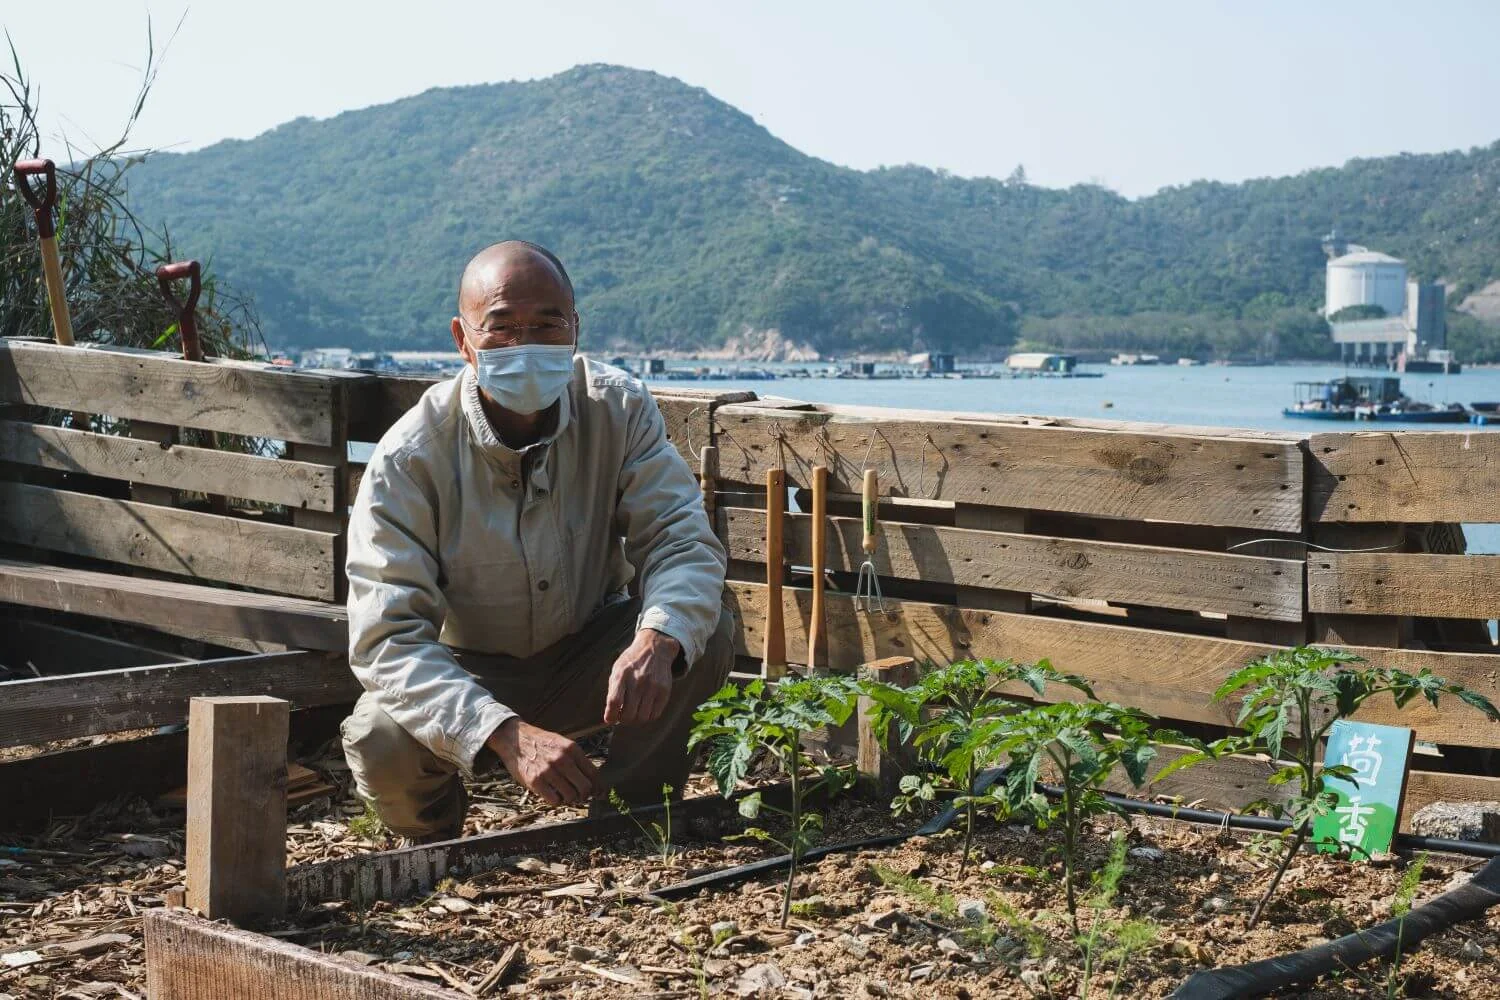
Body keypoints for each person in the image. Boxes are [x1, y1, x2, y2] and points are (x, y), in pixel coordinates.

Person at [341, 240, 731, 842]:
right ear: (462, 338)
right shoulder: (410, 457)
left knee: (700, 628)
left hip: (590, 655)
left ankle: (631, 821)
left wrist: (655, 639)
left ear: (576, 328)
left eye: (548, 324)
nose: (527, 344)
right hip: (468, 669)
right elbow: (386, 639)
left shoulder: (617, 408)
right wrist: (502, 732)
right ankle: (435, 842)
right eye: (502, 327)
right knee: (379, 736)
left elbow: (680, 539)